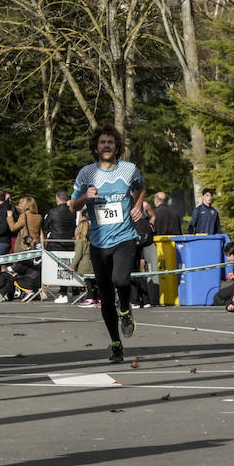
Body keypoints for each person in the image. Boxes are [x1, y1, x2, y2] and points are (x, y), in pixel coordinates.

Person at [70, 124, 146, 363]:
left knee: (120, 280)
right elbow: (72, 205)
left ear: (116, 147)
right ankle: (116, 343)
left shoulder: (129, 169)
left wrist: (138, 205)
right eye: (102, 143)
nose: (106, 146)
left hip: (124, 237)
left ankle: (125, 307)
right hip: (99, 242)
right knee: (104, 294)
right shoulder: (86, 174)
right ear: (96, 147)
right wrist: (85, 197)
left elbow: (141, 187)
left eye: (110, 143)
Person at [211, 242, 234, 306]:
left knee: (218, 299)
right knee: (217, 296)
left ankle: (231, 303)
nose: (228, 259)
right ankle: (230, 302)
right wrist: (233, 275)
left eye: (229, 256)